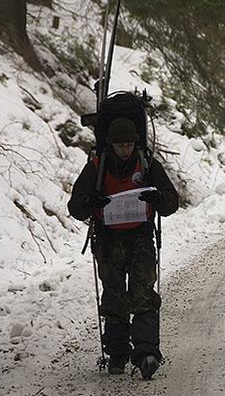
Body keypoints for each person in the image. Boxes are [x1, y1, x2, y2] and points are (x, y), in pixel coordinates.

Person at [68, 117, 179, 378]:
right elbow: (75, 206)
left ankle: (146, 353)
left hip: (140, 237)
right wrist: (90, 202)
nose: (125, 150)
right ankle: (117, 353)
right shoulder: (96, 167)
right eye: (120, 146)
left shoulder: (148, 164)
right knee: (115, 295)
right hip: (108, 239)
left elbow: (171, 202)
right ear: (111, 145)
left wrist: (158, 198)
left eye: (129, 145)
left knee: (143, 294)